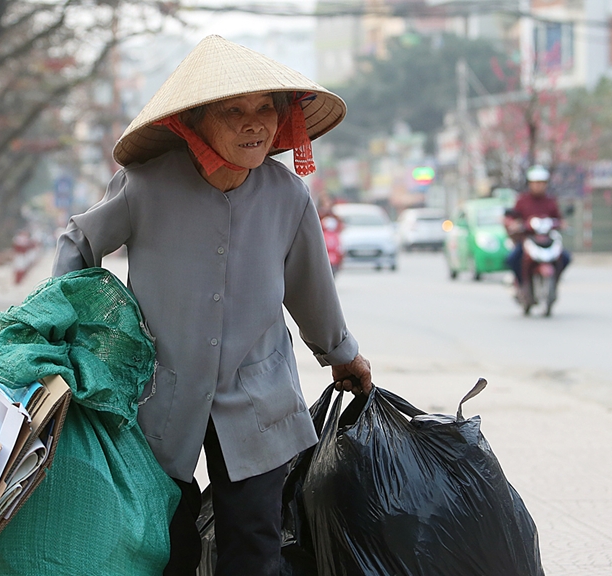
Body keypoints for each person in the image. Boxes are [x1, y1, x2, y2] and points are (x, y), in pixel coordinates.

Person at [51, 35, 372, 576]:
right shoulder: (145, 186)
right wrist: (75, 333)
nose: (255, 123)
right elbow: (78, 244)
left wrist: (342, 354)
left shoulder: (287, 196)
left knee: (254, 546)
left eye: (265, 109)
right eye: (234, 111)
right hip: (159, 394)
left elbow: (309, 287)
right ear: (195, 122)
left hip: (258, 393)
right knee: (164, 542)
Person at [505, 165, 571, 290]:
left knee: (566, 257)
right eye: (535, 183)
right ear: (530, 184)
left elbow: (558, 218)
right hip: (527, 239)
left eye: (541, 183)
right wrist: (514, 224)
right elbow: (514, 216)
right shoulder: (522, 200)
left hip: (546, 239)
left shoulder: (550, 201)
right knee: (513, 258)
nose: (538, 186)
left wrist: (562, 223)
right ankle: (521, 285)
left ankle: (555, 281)